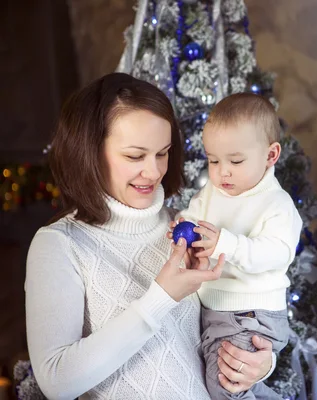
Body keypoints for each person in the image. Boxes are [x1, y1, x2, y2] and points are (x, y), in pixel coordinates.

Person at [25, 73, 276, 400]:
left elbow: (236, 322)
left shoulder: (188, 226)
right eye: (134, 156)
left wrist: (260, 363)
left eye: (163, 153)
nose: (155, 171)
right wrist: (161, 296)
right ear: (89, 152)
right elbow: (57, 382)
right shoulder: (59, 245)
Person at [170, 93, 303, 399]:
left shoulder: (276, 204)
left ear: (271, 155)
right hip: (217, 309)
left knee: (226, 387)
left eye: (235, 160)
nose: (222, 171)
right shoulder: (213, 193)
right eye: (213, 160)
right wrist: (181, 226)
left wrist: (224, 243)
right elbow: (194, 214)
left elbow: (276, 252)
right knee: (230, 385)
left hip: (251, 312)